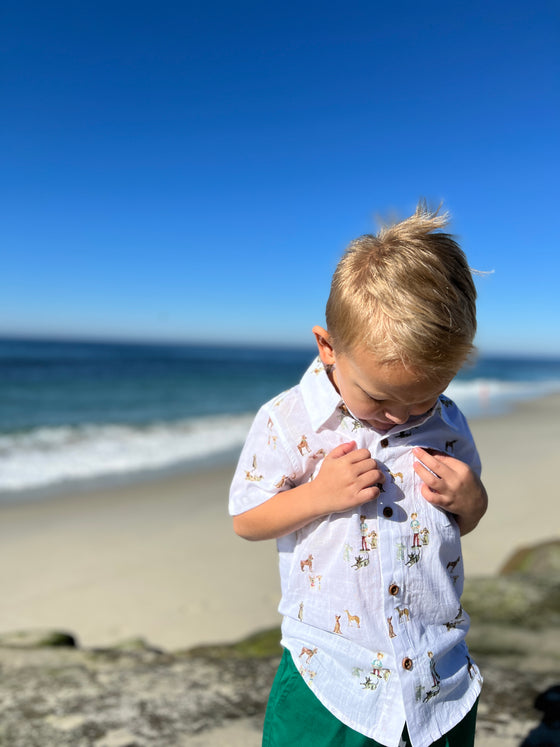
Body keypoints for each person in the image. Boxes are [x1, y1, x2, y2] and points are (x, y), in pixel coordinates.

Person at [229, 203, 488, 747]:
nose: (401, 416)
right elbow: (248, 520)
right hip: (331, 672)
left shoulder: (446, 420)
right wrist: (319, 496)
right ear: (328, 347)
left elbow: (465, 520)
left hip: (435, 674)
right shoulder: (288, 420)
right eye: (379, 396)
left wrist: (470, 497)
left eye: (422, 398)